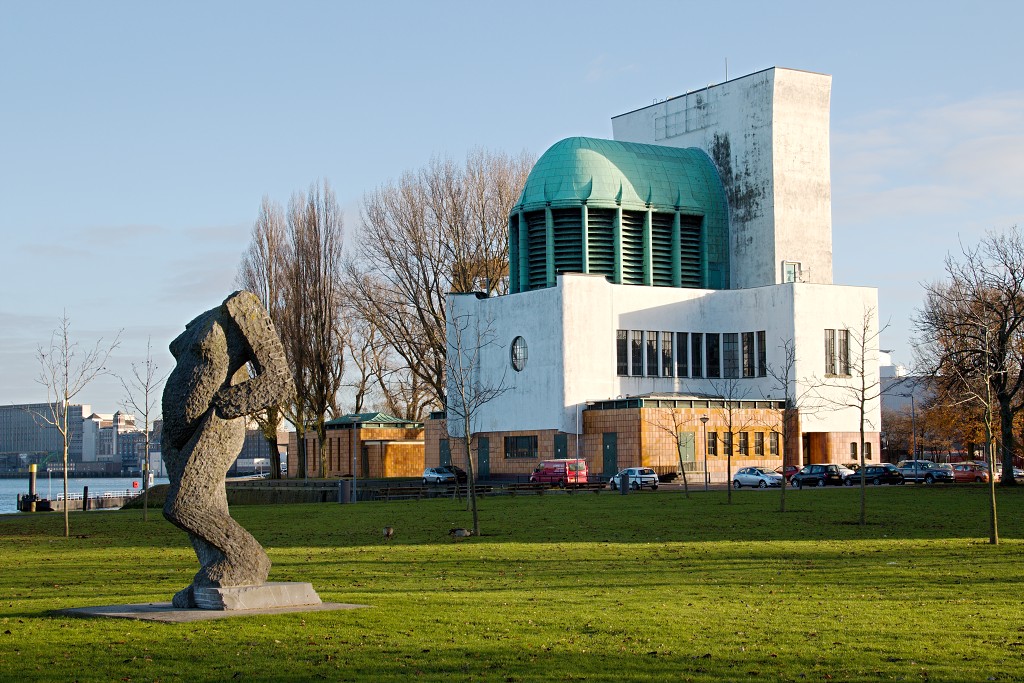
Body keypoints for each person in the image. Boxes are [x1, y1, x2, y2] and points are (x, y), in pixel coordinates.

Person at [162, 291, 294, 608]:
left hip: (216, 420)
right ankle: (213, 576)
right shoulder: (200, 319)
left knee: (184, 506)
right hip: (176, 432)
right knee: (207, 510)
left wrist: (229, 404)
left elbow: (280, 379)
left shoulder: (243, 307)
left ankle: (248, 558)